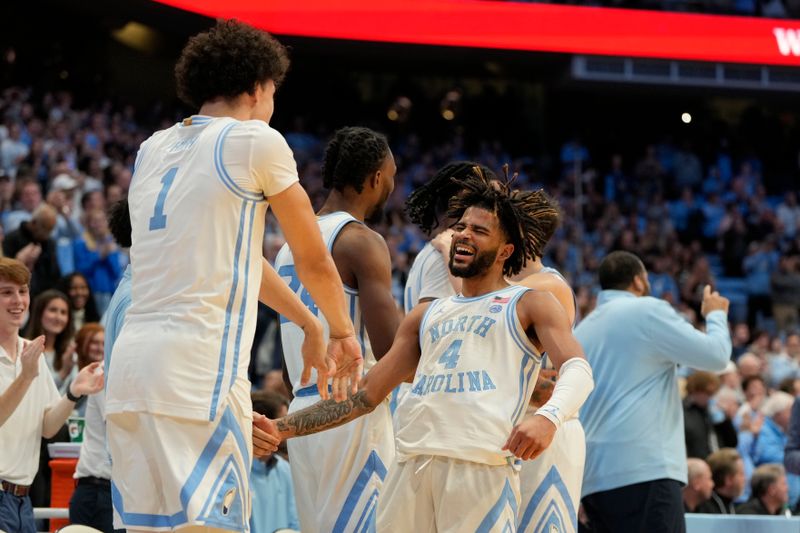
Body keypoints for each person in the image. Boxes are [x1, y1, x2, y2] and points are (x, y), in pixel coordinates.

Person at [105, 20, 361, 532]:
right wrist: (341, 329)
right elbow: (312, 257)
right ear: (256, 86)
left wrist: (306, 323)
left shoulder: (152, 149)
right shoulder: (255, 141)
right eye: (273, 92)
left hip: (131, 374)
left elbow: (239, 257)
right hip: (198, 371)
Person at [270, 170, 594, 531]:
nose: (464, 235)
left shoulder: (530, 303)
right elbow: (365, 396)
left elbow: (578, 368)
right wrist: (279, 428)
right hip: (409, 468)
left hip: (477, 470)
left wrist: (549, 416)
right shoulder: (427, 314)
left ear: (505, 251)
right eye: (461, 227)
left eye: (479, 231)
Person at [273, 126, 400, 532]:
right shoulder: (360, 241)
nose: (392, 187)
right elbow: (392, 348)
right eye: (392, 177)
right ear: (376, 178)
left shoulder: (288, 246)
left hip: (304, 413)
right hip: (350, 414)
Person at [577, 250, 731, 533]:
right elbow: (717, 356)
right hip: (644, 468)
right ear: (639, 281)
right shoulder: (646, 309)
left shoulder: (581, 330)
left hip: (593, 476)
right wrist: (716, 315)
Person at [0, 257, 104, 533]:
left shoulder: (31, 352)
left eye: (22, 291)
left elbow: (47, 428)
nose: (18, 300)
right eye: (6, 292)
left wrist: (72, 393)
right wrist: (25, 375)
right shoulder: (32, 362)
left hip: (23, 499)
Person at [249, 391, 299, 533]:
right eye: (283, 423)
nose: (291, 430)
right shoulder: (237, 470)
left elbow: (295, 522)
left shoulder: (285, 469)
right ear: (262, 427)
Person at [3, 203, 61, 298]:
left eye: (50, 230)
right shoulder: (12, 239)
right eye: (45, 229)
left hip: (45, 295)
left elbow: (54, 274)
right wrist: (21, 261)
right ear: (34, 222)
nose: (47, 234)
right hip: (20, 293)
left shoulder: (49, 243)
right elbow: (5, 273)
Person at [24, 289, 75, 390]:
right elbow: (37, 391)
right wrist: (63, 373)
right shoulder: (26, 348)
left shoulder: (69, 352)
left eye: (63, 312)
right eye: (52, 310)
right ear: (39, 313)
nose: (58, 317)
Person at [696, 448, 746, 514]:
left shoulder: (731, 505)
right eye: (741, 474)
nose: (745, 479)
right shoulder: (704, 509)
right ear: (729, 479)